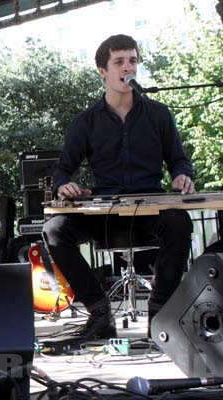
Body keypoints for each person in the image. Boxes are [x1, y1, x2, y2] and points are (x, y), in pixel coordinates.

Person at [42, 34, 195, 340]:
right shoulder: (85, 122)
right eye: (120, 62)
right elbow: (61, 171)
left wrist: (181, 175)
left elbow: (179, 160)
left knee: (180, 222)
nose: (129, 68)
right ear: (103, 70)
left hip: (150, 207)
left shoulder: (159, 115)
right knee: (55, 230)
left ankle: (160, 315)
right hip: (105, 213)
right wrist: (65, 185)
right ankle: (100, 313)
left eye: (133, 61)